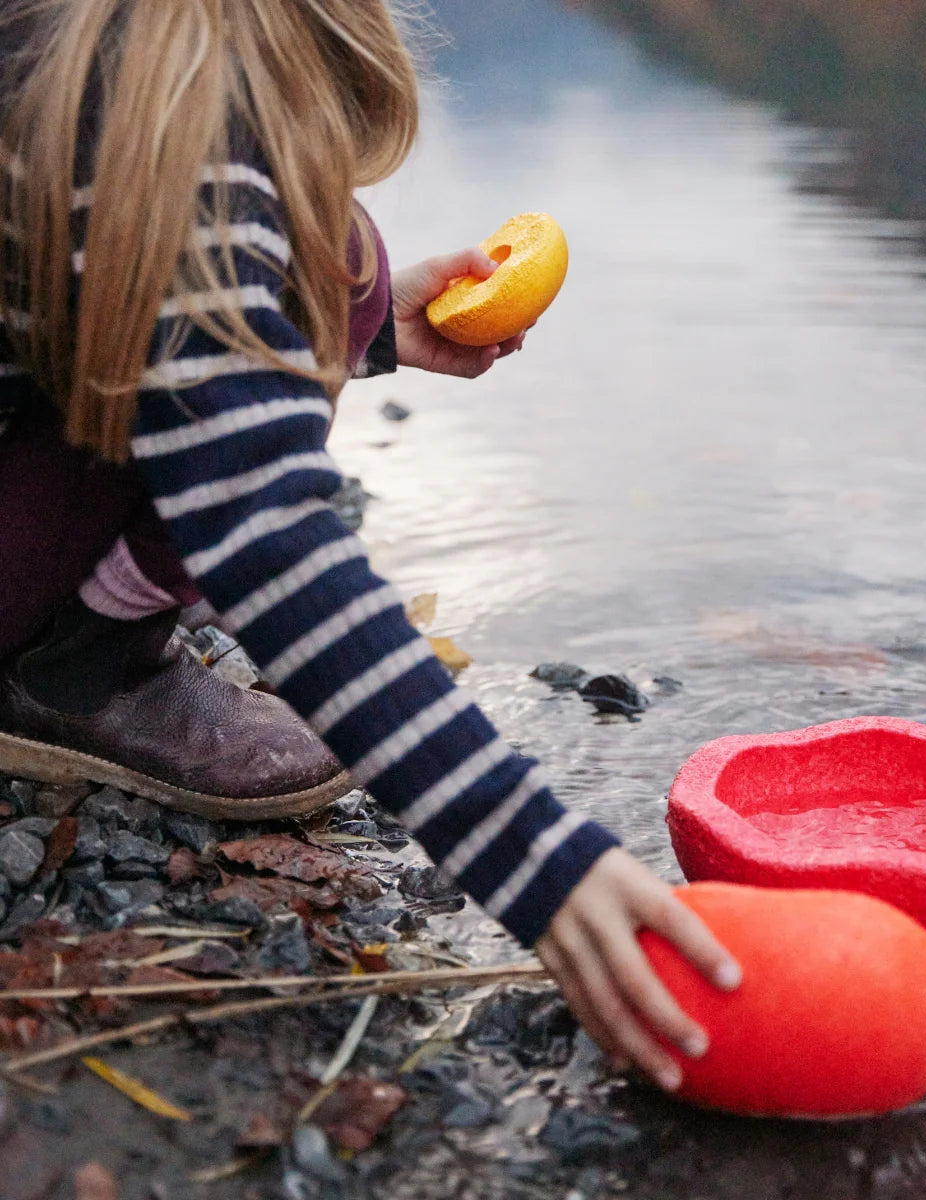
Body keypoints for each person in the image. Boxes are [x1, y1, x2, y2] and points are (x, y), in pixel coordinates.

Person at [0, 1, 740, 1092]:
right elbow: (271, 534)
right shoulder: (175, 137)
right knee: (316, 267)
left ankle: (84, 590)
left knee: (335, 272)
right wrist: (535, 855)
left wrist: (367, 321)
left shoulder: (64, 43)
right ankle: (74, 665)